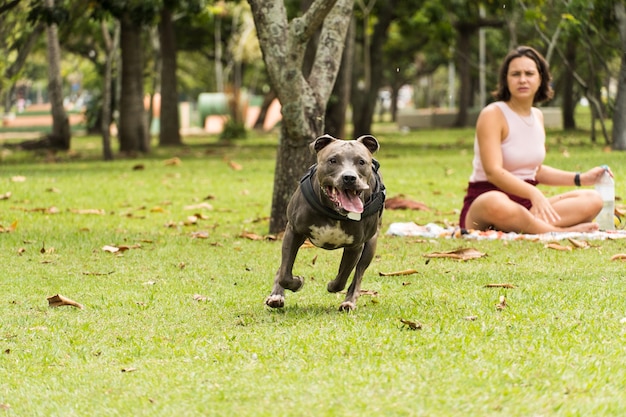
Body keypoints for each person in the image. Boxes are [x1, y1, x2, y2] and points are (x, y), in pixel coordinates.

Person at [459, 46, 607, 234]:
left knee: (593, 199)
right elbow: (493, 172)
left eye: (529, 73)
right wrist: (533, 192)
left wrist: (580, 178)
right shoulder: (493, 114)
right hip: (486, 206)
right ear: (506, 79)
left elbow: (535, 170)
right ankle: (558, 232)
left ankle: (531, 227)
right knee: (494, 201)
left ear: (540, 79)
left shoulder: (537, 116)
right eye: (515, 74)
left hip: (526, 208)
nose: (522, 79)